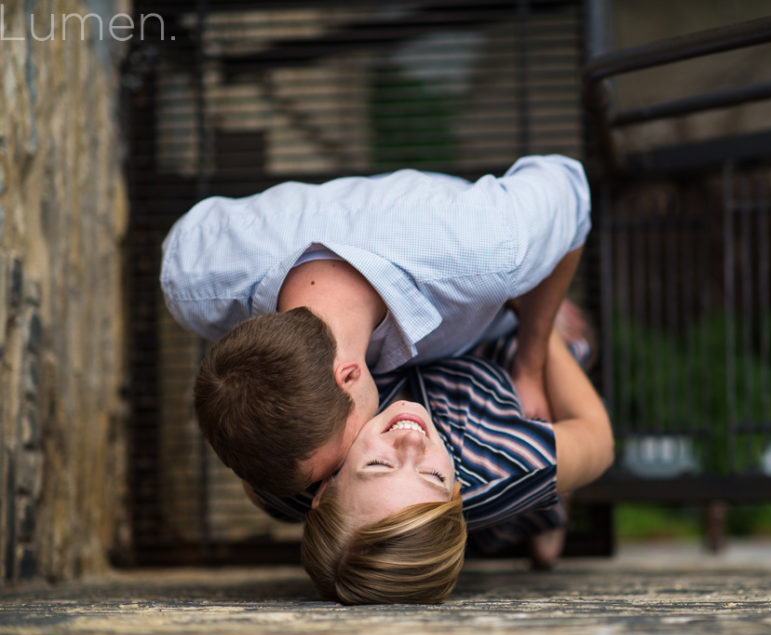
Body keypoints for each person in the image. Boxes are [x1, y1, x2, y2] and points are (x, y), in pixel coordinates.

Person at [160, 155, 590, 498]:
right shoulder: (192, 285)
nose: (336, 476)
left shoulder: (491, 254)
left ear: (348, 374)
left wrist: (531, 366)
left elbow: (570, 187)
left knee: (577, 342)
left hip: (496, 310)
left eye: (336, 462)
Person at [299, 328, 614, 605]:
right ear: (453, 493)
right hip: (499, 363)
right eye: (433, 475)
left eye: (379, 465)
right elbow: (598, 438)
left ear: (325, 486)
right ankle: (550, 515)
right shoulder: (503, 459)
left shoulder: (296, 454)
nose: (411, 442)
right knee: (536, 498)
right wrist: (539, 334)